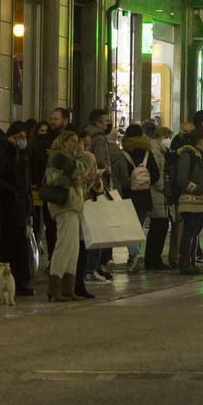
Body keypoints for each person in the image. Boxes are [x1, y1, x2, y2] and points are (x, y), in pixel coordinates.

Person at [43, 130, 95, 302]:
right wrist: (85, 156)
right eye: (73, 141)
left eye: (77, 141)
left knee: (74, 248)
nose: (76, 145)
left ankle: (68, 287)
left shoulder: (68, 158)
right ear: (63, 142)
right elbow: (78, 170)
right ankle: (54, 286)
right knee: (64, 246)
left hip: (74, 206)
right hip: (64, 205)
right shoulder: (59, 157)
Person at [0, 122, 36, 297]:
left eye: (25, 137)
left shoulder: (23, 157)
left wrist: (29, 210)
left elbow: (26, 184)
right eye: (19, 137)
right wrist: (14, 192)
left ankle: (16, 280)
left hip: (20, 207)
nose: (22, 141)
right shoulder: (3, 151)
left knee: (15, 245)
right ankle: (8, 279)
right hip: (9, 206)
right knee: (11, 245)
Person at [114, 124, 160, 273]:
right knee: (139, 228)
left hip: (129, 196)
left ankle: (134, 255)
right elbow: (156, 175)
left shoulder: (124, 153)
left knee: (128, 228)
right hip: (144, 196)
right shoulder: (147, 153)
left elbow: (122, 177)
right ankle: (134, 258)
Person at [172, 130, 203, 275]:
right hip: (191, 202)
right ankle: (185, 263)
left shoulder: (201, 157)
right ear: (199, 140)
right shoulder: (188, 156)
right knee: (190, 231)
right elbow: (182, 179)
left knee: (195, 232)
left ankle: (193, 262)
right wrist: (196, 189)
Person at [81, 108, 114, 280]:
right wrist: (107, 173)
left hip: (85, 192)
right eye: (107, 120)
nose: (110, 123)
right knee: (98, 231)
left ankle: (90, 268)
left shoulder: (84, 134)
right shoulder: (99, 138)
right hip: (96, 190)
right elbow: (102, 162)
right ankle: (91, 268)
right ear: (99, 123)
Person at [144, 126, 173, 271]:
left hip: (161, 194)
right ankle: (153, 260)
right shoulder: (155, 150)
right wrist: (165, 187)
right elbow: (155, 174)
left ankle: (155, 259)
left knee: (161, 226)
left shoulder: (161, 150)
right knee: (158, 227)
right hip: (157, 193)